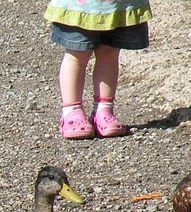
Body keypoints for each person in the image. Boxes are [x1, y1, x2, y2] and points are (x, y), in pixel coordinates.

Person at [45, 0, 152, 139]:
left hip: (117, 5)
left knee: (109, 52)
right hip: (80, 7)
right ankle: (72, 111)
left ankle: (104, 110)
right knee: (77, 54)